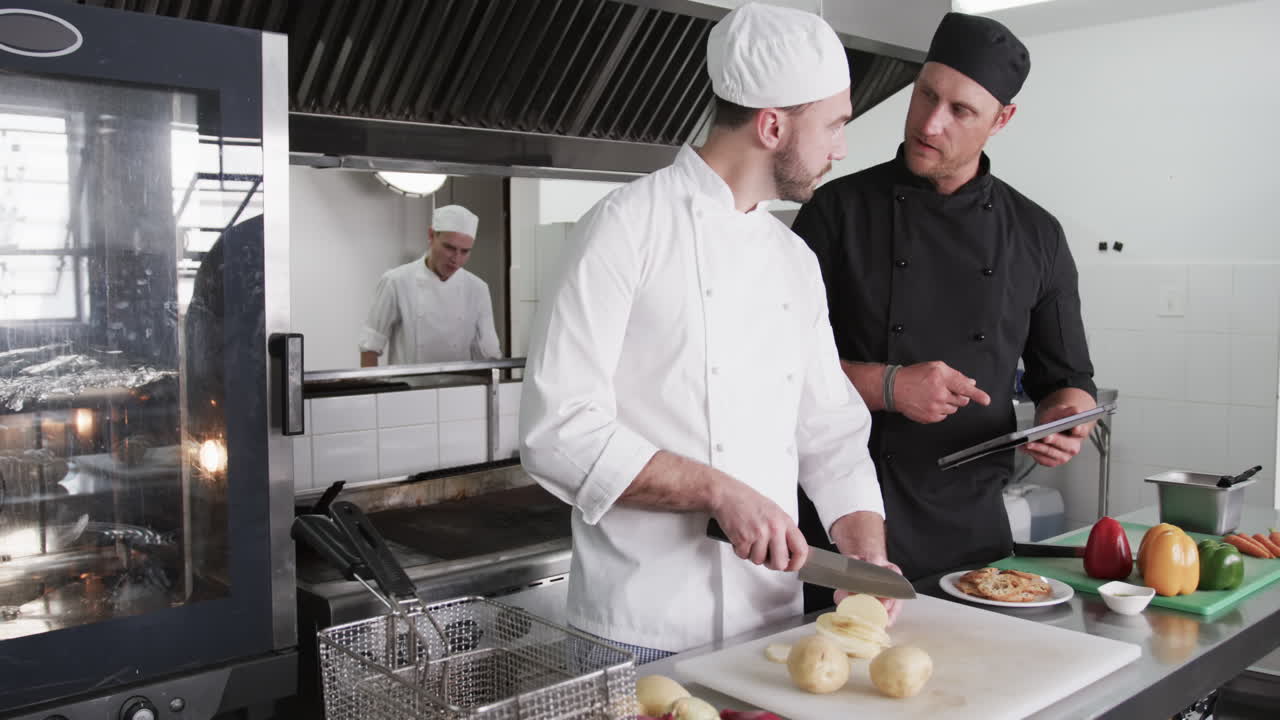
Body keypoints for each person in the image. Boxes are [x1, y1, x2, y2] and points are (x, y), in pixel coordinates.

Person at [519, 3, 896, 663]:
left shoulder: (793, 261)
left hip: (769, 625)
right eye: (835, 124)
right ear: (772, 125)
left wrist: (866, 555)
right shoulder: (623, 228)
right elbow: (558, 432)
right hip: (637, 630)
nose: (842, 147)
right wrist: (719, 491)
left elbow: (830, 433)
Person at [791, 12, 1097, 596]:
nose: (930, 122)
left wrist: (1066, 418)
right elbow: (775, 372)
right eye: (926, 94)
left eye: (960, 110)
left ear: (1002, 120)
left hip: (971, 535)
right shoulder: (834, 213)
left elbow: (1068, 378)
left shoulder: (1036, 235)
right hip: (839, 527)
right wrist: (888, 385)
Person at [358, 204, 501, 366]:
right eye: (449, 247)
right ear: (431, 235)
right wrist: (373, 391)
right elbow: (370, 346)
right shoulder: (396, 281)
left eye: (465, 251)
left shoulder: (477, 289)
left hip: (460, 388)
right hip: (409, 389)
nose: (456, 259)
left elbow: (490, 354)